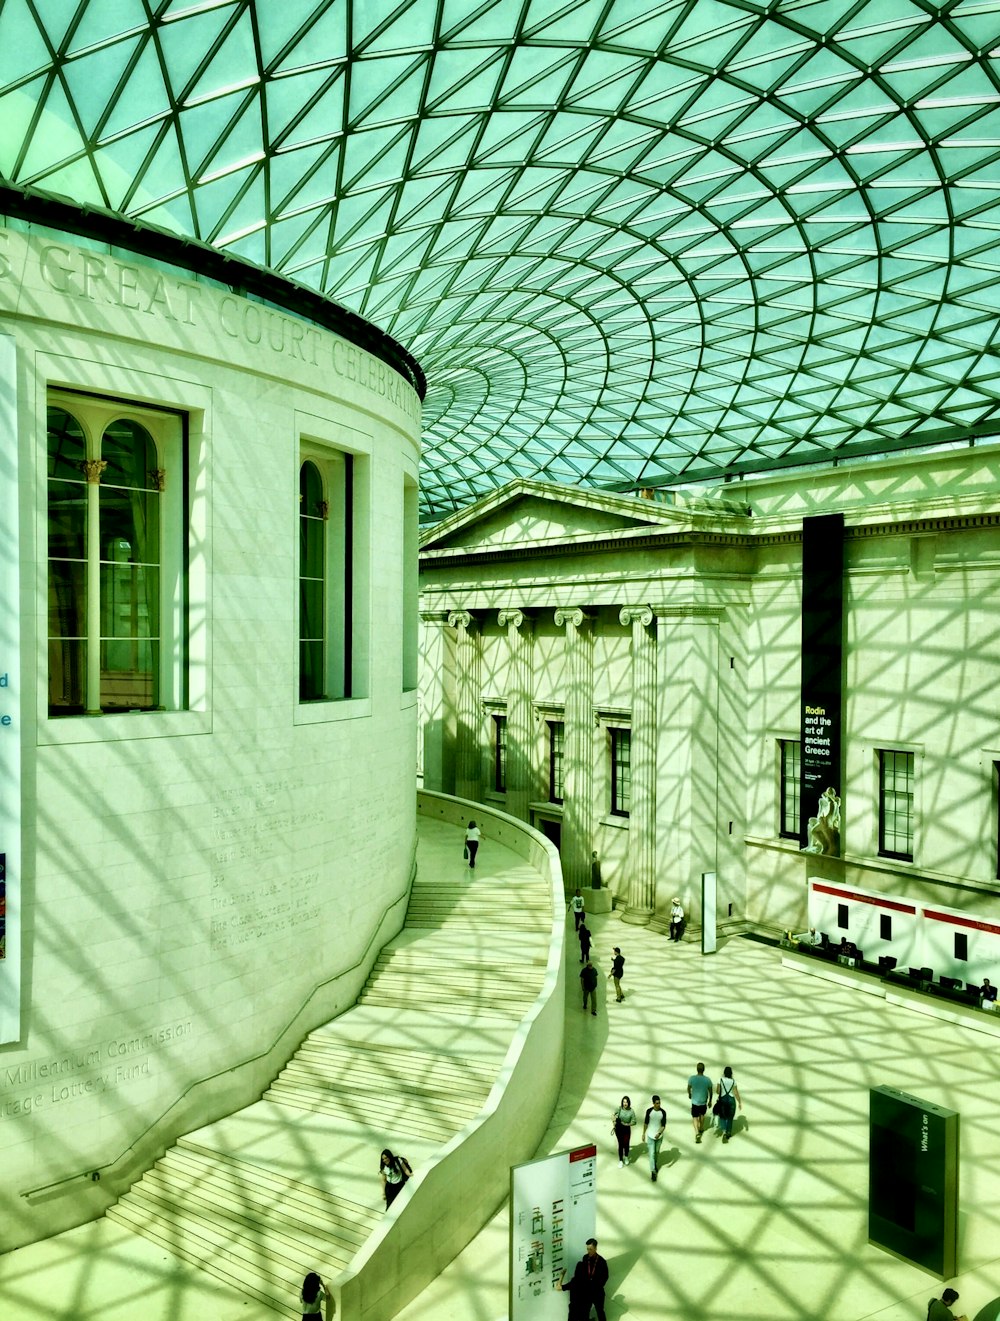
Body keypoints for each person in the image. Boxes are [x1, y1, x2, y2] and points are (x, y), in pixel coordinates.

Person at [558, 1238, 608, 1321]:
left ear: (595, 1248)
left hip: (597, 1292)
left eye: (591, 1249)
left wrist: (596, 1286)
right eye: (587, 1249)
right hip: (587, 1292)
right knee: (586, 1310)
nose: (589, 1251)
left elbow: (605, 1277)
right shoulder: (585, 1258)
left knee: (600, 1311)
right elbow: (583, 1273)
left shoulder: (602, 1262)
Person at [715, 1065, 742, 1144]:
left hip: (723, 1099)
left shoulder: (720, 1080)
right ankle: (729, 1132)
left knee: (722, 1116)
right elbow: (736, 1093)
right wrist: (739, 1102)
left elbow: (717, 1091)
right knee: (730, 1117)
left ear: (724, 1073)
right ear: (731, 1073)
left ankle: (724, 1131)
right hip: (731, 1100)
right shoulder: (733, 1081)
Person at [642, 1094, 666, 1181]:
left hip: (659, 1137)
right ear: (653, 1103)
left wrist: (659, 1133)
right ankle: (653, 1172)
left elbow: (663, 1125)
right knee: (651, 1154)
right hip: (650, 1136)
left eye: (659, 1103)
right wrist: (643, 1133)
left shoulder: (663, 1112)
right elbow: (645, 1123)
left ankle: (654, 1164)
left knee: (656, 1153)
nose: (658, 1105)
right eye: (657, 1103)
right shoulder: (649, 1112)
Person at [687, 1062, 713, 1143]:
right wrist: (710, 1100)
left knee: (695, 1117)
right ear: (704, 1070)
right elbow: (710, 1091)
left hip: (695, 1102)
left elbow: (688, 1087)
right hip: (703, 1102)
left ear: (697, 1069)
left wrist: (690, 1094)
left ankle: (697, 1133)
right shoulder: (707, 1080)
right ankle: (701, 1127)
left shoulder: (692, 1078)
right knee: (702, 1115)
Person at [612, 1094, 636, 1166]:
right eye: (624, 1102)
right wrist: (613, 1122)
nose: (625, 1103)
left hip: (626, 1129)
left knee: (626, 1144)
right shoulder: (619, 1109)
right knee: (620, 1144)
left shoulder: (631, 1111)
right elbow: (613, 1115)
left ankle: (626, 1157)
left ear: (629, 1103)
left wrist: (627, 1124)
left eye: (626, 1102)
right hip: (619, 1129)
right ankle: (620, 1160)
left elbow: (634, 1122)